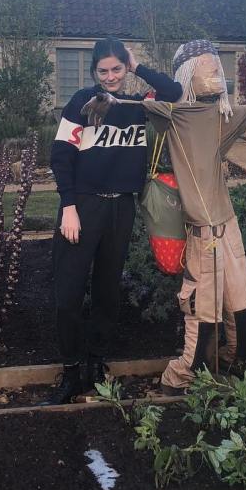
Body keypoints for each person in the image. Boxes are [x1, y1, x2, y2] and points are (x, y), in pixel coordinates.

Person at [40, 37, 182, 405]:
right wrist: (68, 206)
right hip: (83, 207)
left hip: (121, 208)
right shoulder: (83, 104)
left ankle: (97, 366)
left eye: (117, 68)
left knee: (107, 293)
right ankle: (71, 371)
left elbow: (174, 91)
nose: (110, 77)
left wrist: (138, 66)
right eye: (103, 71)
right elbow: (61, 155)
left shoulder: (138, 105)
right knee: (69, 295)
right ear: (93, 73)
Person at [141, 40, 246, 393]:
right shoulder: (173, 115)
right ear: (187, 75)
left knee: (241, 304)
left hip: (228, 224)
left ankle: (231, 360)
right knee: (203, 309)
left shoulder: (220, 116)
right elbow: (149, 102)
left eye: (217, 68)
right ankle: (180, 377)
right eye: (206, 67)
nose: (216, 72)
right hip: (200, 229)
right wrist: (114, 95)